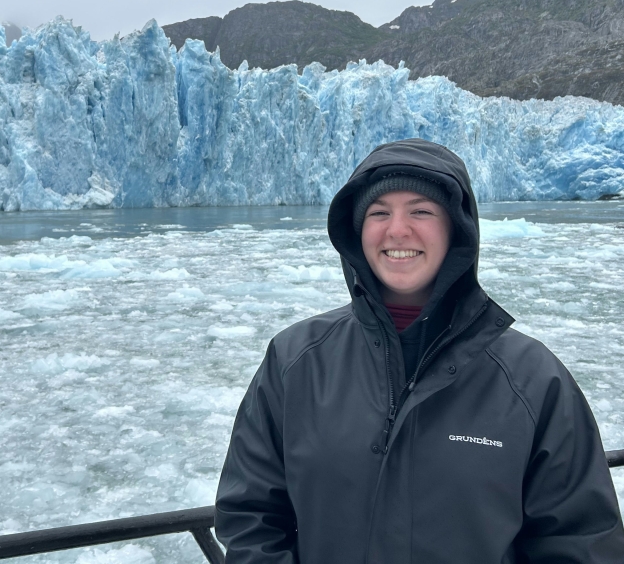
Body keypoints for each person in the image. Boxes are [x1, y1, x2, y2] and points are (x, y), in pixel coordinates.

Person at [215, 138, 624, 562]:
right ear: (357, 232)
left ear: (456, 229)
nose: (397, 230)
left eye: (421, 211)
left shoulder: (532, 379)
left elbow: (581, 541)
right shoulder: (295, 360)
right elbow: (251, 517)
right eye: (378, 213)